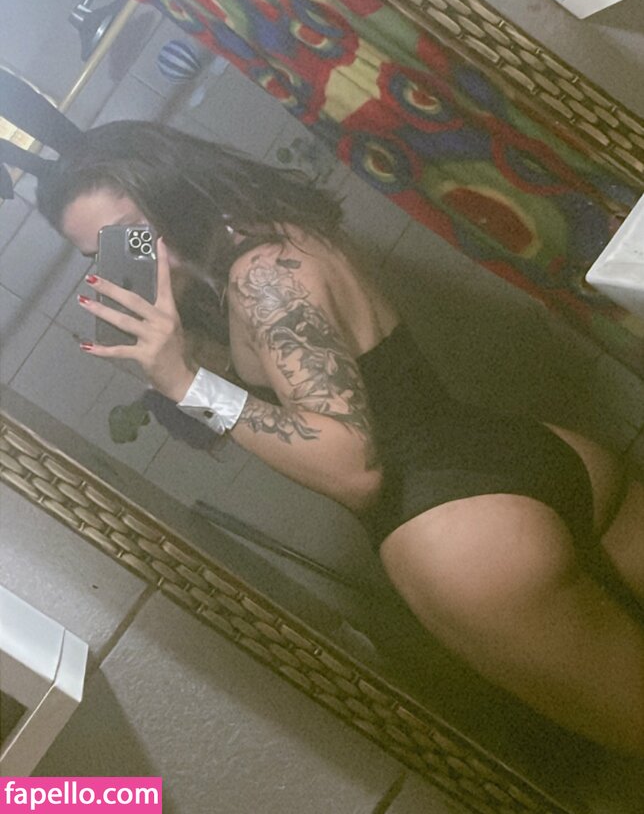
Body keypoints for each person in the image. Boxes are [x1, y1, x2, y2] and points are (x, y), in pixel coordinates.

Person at [36, 119, 644, 756]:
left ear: (169, 191)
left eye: (131, 233)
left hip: (461, 538)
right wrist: (180, 358)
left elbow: (354, 468)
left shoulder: (261, 280)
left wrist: (183, 383)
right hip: (540, 458)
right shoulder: (271, 234)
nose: (129, 260)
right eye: (104, 254)